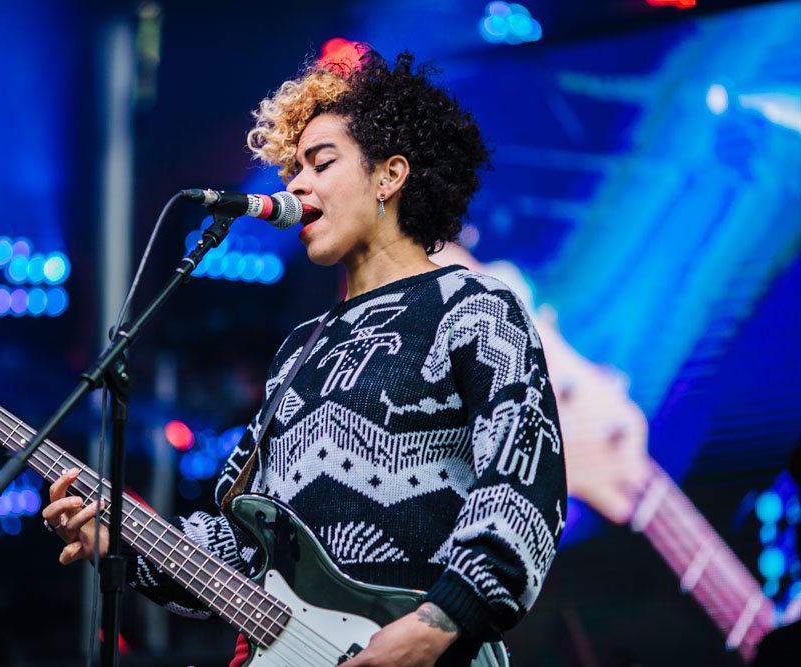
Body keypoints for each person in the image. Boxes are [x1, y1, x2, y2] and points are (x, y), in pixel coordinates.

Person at [43, 49, 568, 665]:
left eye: (320, 163)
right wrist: (123, 541)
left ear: (389, 176)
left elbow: (523, 483)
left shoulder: (475, 305)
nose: (294, 185)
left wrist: (440, 621)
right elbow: (242, 549)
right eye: (293, 168)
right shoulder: (300, 350)